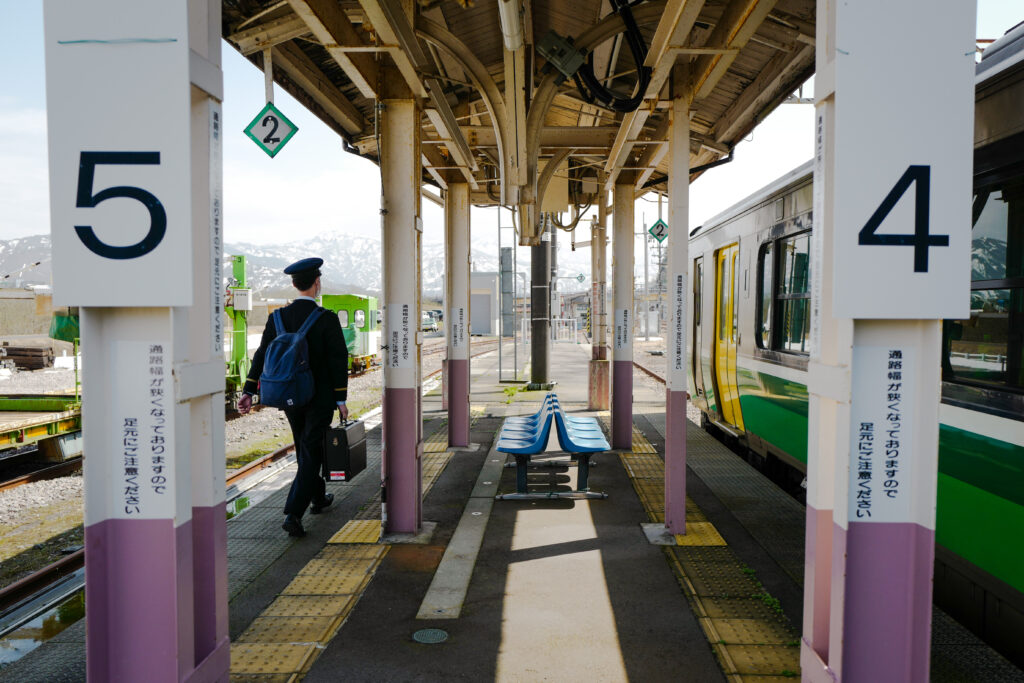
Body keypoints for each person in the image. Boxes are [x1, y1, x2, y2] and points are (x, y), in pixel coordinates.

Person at [237, 257, 349, 537]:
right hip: (320, 398)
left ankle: (318, 498)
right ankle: (293, 513)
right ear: (317, 283)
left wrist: (249, 390)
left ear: (294, 284)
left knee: (306, 447)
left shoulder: (277, 318)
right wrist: (340, 399)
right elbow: (338, 360)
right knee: (311, 450)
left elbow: (262, 354)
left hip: (289, 395)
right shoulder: (327, 319)